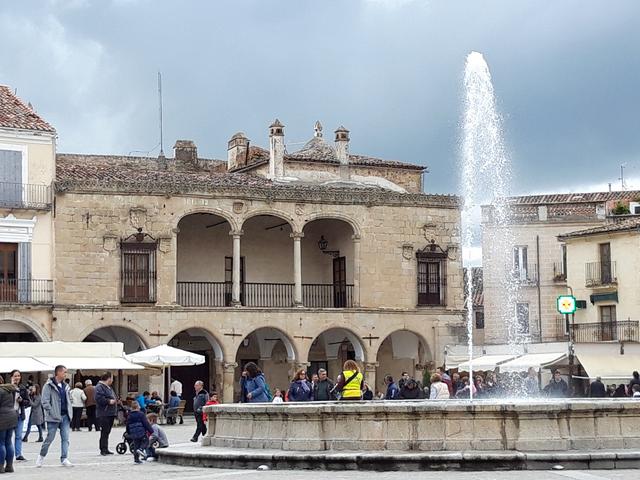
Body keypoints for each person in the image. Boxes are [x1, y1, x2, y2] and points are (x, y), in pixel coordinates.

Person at [37, 365, 73, 468]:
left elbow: (69, 399)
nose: (66, 374)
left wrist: (70, 411)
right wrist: (52, 412)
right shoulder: (48, 385)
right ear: (58, 373)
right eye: (64, 372)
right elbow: (45, 402)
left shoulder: (66, 386)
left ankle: (64, 458)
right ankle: (41, 456)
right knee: (50, 438)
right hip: (53, 417)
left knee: (65, 438)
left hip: (65, 416)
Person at [9, 370, 30, 462]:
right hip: (9, 415)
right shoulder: (8, 388)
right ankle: (8, 454)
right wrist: (12, 386)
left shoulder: (22, 388)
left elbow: (28, 402)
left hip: (20, 414)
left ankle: (18, 454)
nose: (17, 377)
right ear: (11, 377)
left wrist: (22, 401)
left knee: (18, 436)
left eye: (18, 376)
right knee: (8, 436)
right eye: (15, 376)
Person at [95, 371, 117, 456]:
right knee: (104, 431)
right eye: (111, 378)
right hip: (104, 412)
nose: (112, 380)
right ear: (108, 378)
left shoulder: (108, 387)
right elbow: (98, 398)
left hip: (110, 412)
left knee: (107, 431)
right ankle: (103, 449)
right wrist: (109, 401)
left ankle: (106, 448)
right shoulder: (99, 387)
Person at [0, 375, 18, 473]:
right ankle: (10, 466)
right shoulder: (9, 390)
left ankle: (0, 467)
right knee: (8, 441)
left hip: (2, 417)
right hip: (12, 416)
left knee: (1, 442)